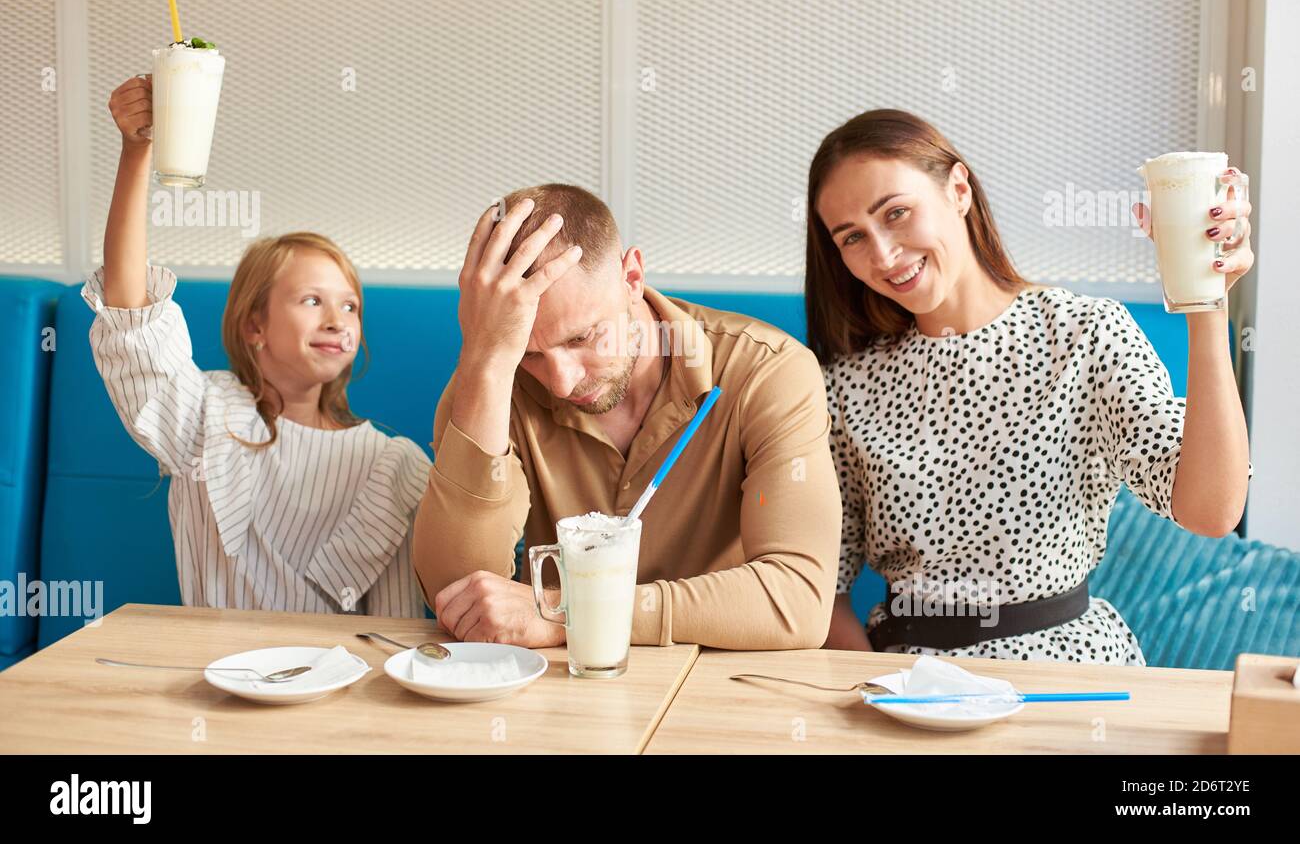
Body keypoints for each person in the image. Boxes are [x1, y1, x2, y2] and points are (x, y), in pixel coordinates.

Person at [808, 109, 1253, 663]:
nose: (883, 255)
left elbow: (1211, 512)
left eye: (896, 213)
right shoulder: (844, 386)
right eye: (852, 237)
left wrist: (1207, 301)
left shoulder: (1085, 334)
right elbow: (822, 591)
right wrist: (876, 686)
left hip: (1069, 669)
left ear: (958, 189)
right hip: (909, 682)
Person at [413, 183, 842, 649]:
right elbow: (457, 599)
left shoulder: (767, 370)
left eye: (582, 338)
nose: (561, 381)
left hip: (722, 685)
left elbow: (797, 601)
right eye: (531, 355)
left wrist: (570, 611)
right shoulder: (492, 378)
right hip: (564, 688)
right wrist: (490, 360)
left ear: (631, 277)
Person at [85, 74, 430, 616]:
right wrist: (137, 151)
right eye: (312, 301)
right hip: (214, 686)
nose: (338, 319)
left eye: (351, 306)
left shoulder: (393, 466)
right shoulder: (205, 420)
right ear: (255, 327)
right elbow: (131, 316)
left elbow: (394, 631)